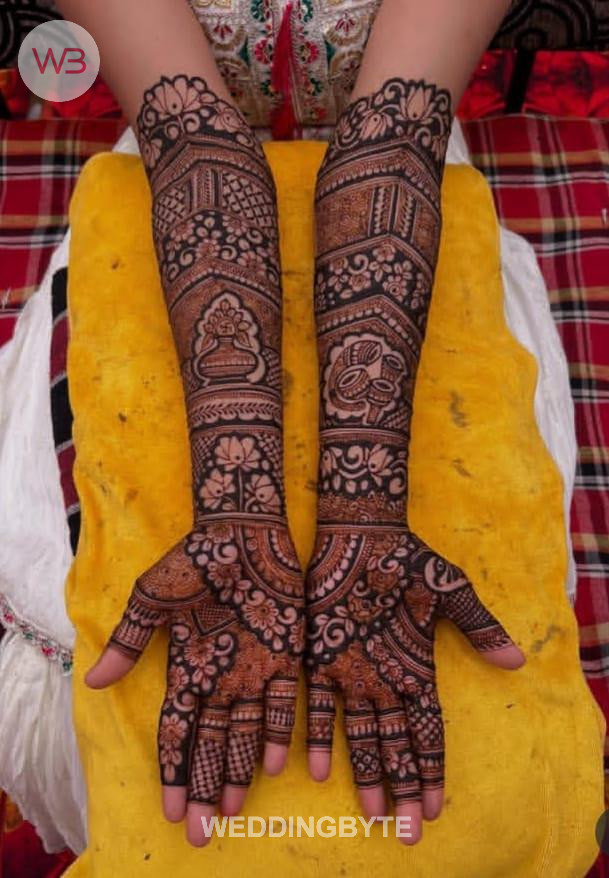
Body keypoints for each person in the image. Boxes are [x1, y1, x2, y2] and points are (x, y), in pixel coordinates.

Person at [55, 0, 525, 848]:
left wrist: (363, 509)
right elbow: (191, 140)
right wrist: (236, 502)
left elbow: (393, 136)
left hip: (413, 193)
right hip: (159, 190)